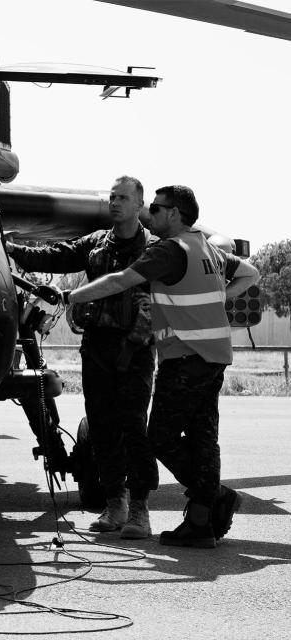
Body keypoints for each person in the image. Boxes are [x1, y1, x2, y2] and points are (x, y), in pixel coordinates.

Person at [64, 185, 260, 548]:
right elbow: (250, 273)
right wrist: (220, 297)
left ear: (174, 214)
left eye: (155, 208)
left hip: (184, 358)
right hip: (214, 356)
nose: (148, 214)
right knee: (204, 441)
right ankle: (201, 525)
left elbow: (122, 280)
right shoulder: (206, 248)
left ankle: (214, 495)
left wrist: (71, 295)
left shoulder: (169, 250)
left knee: (160, 439)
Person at [5, 176, 158, 539]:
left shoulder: (155, 249)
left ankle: (140, 510)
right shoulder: (95, 244)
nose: (115, 203)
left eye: (123, 198)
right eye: (112, 197)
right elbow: (55, 256)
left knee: (134, 428)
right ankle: (115, 503)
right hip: (97, 348)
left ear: (140, 205)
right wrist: (9, 248)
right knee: (102, 426)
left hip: (134, 350)